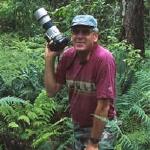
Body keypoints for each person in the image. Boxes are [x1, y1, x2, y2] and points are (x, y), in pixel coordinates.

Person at [44, 15, 117, 150]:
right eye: (76, 31)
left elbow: (104, 106)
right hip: (78, 125)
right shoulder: (67, 56)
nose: (79, 36)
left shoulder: (104, 59)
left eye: (85, 32)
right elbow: (51, 91)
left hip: (102, 127)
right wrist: (49, 58)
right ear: (71, 36)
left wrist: (94, 142)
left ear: (95, 36)